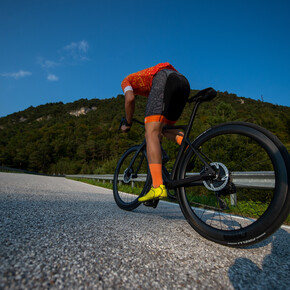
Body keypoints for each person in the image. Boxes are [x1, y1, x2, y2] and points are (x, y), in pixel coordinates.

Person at [120, 62, 190, 202]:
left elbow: (130, 99)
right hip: (183, 82)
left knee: (151, 132)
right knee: (163, 130)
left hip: (164, 78)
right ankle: (191, 149)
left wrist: (128, 123)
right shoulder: (146, 84)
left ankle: (157, 186)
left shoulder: (126, 80)